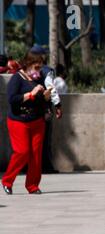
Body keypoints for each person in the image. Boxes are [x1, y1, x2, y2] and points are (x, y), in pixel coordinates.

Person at [1, 51, 53, 195]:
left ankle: (33, 185)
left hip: (37, 121)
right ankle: (7, 180)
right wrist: (31, 94)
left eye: (40, 68)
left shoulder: (38, 78)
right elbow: (12, 99)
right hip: (19, 121)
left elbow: (41, 100)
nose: (39, 71)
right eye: (36, 67)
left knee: (36, 154)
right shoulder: (17, 79)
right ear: (28, 65)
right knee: (22, 152)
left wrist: (46, 98)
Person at [29, 45, 63, 174]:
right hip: (43, 109)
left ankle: (29, 166)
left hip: (28, 108)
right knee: (44, 138)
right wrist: (58, 105)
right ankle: (45, 166)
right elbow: (51, 89)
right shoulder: (46, 70)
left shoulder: (25, 70)